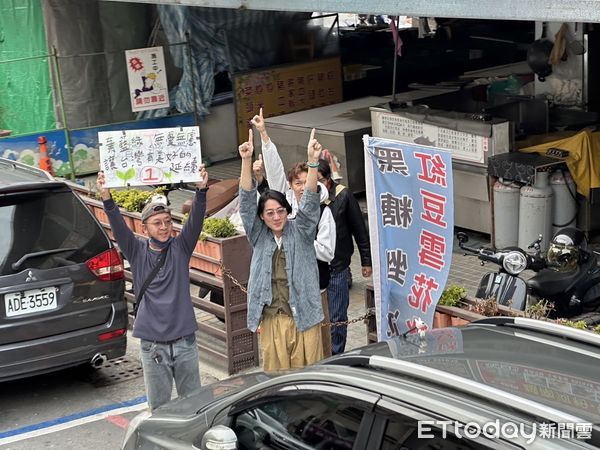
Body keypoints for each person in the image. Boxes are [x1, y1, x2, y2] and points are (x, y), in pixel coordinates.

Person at [96, 166, 208, 411]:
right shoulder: (136, 251)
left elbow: (196, 221)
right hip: (152, 344)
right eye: (157, 223)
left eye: (167, 222)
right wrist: (106, 196)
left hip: (184, 342)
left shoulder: (181, 248)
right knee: (159, 409)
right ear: (144, 229)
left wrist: (201, 191)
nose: (164, 227)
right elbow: (118, 227)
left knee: (194, 406)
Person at [251, 108, 336, 357]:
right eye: (296, 183)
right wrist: (264, 136)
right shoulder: (283, 207)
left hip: (312, 291)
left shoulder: (321, 211)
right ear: (290, 185)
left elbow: (328, 252)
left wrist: (299, 243)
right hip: (283, 297)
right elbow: (275, 171)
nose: (301, 187)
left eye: (305, 182)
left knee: (317, 352)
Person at [238, 128, 324, 371]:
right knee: (276, 382)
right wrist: (246, 161)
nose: (276, 217)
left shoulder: (302, 231)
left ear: (288, 211)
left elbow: (309, 202)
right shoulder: (259, 236)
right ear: (262, 217)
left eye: (280, 211)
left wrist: (313, 161)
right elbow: (246, 203)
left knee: (310, 378)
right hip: (272, 318)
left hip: (304, 317)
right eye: (269, 213)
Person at [317, 158, 372, 354]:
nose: (315, 184)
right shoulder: (304, 199)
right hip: (313, 269)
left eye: (320, 180)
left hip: (337, 266)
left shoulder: (343, 195)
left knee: (337, 316)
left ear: (328, 179)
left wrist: (366, 261)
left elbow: (359, 229)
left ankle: (335, 354)